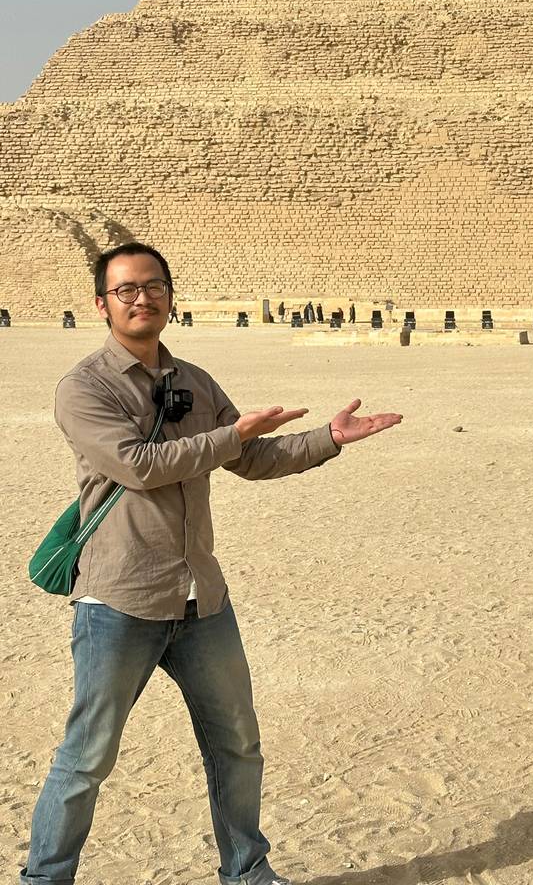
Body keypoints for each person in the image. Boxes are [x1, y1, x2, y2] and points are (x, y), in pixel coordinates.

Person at [20, 241, 402, 885]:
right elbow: (138, 468)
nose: (142, 298)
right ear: (100, 304)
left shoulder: (193, 381)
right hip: (120, 600)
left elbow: (250, 459)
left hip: (202, 601)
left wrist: (327, 440)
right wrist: (233, 434)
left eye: (154, 286)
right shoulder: (83, 387)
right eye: (125, 290)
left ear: (171, 295)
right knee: (87, 756)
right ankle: (45, 879)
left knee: (237, 746)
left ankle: (248, 872)